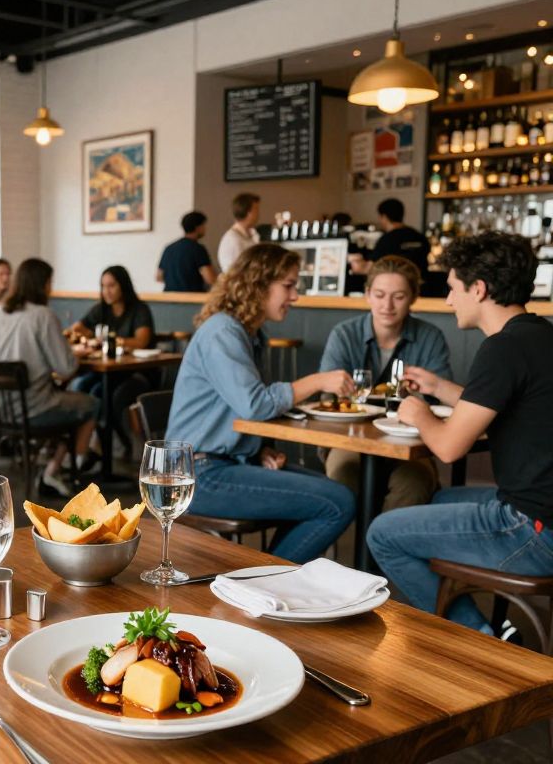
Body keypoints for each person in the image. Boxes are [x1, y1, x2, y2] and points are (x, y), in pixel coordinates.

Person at [367, 231, 553, 634]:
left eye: (453, 288)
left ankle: (482, 637)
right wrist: (437, 389)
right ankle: (496, 630)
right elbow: (496, 402)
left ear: (479, 289)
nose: (449, 300)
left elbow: (449, 447)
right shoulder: (538, 336)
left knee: (383, 532)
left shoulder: (502, 348)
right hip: (542, 513)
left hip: (532, 530)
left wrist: (418, 414)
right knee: (437, 496)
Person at [165, 243, 356, 563]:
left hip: (219, 463)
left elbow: (231, 409)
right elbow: (254, 404)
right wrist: (318, 381)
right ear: (257, 284)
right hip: (197, 476)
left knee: (330, 492)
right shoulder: (222, 331)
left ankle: (265, 576)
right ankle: (262, 582)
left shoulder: (245, 333)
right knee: (337, 502)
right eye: (288, 285)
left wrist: (255, 449)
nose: (295, 296)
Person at [319, 255, 451, 510]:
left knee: (415, 482)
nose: (387, 305)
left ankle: (381, 547)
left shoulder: (430, 337)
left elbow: (439, 401)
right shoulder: (344, 334)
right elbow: (328, 398)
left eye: (398, 297)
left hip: (409, 442)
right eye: (379, 295)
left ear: (413, 298)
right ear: (367, 294)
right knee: (342, 477)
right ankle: (355, 546)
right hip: (350, 438)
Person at [0, 258, 98, 497]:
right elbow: (65, 368)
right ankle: (55, 470)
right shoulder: (43, 316)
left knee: (66, 398)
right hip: (34, 410)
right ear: (42, 284)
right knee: (92, 404)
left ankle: (48, 458)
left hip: (0, 410)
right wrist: (73, 353)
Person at [68, 265, 155, 454]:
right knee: (81, 386)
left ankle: (105, 446)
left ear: (123, 286)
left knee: (103, 393)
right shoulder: (101, 309)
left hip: (136, 372)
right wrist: (91, 337)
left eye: (111, 286)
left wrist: (110, 340)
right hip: (108, 371)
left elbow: (142, 340)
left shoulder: (139, 310)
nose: (106, 291)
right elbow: (76, 328)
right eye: (103, 286)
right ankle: (83, 448)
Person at [349, 199, 429, 281]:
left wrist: (353, 259)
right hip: (421, 287)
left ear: (383, 217)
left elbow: (368, 269)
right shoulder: (420, 237)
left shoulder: (387, 240)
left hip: (395, 286)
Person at [157, 211, 215, 292]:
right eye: (204, 225)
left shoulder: (169, 248)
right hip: (192, 299)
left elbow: (159, 277)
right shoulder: (198, 249)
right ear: (198, 227)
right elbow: (210, 278)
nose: (205, 229)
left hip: (168, 299)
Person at [216, 193, 261, 274]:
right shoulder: (232, 240)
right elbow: (234, 273)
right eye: (256, 210)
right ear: (248, 212)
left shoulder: (252, 234)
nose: (258, 214)